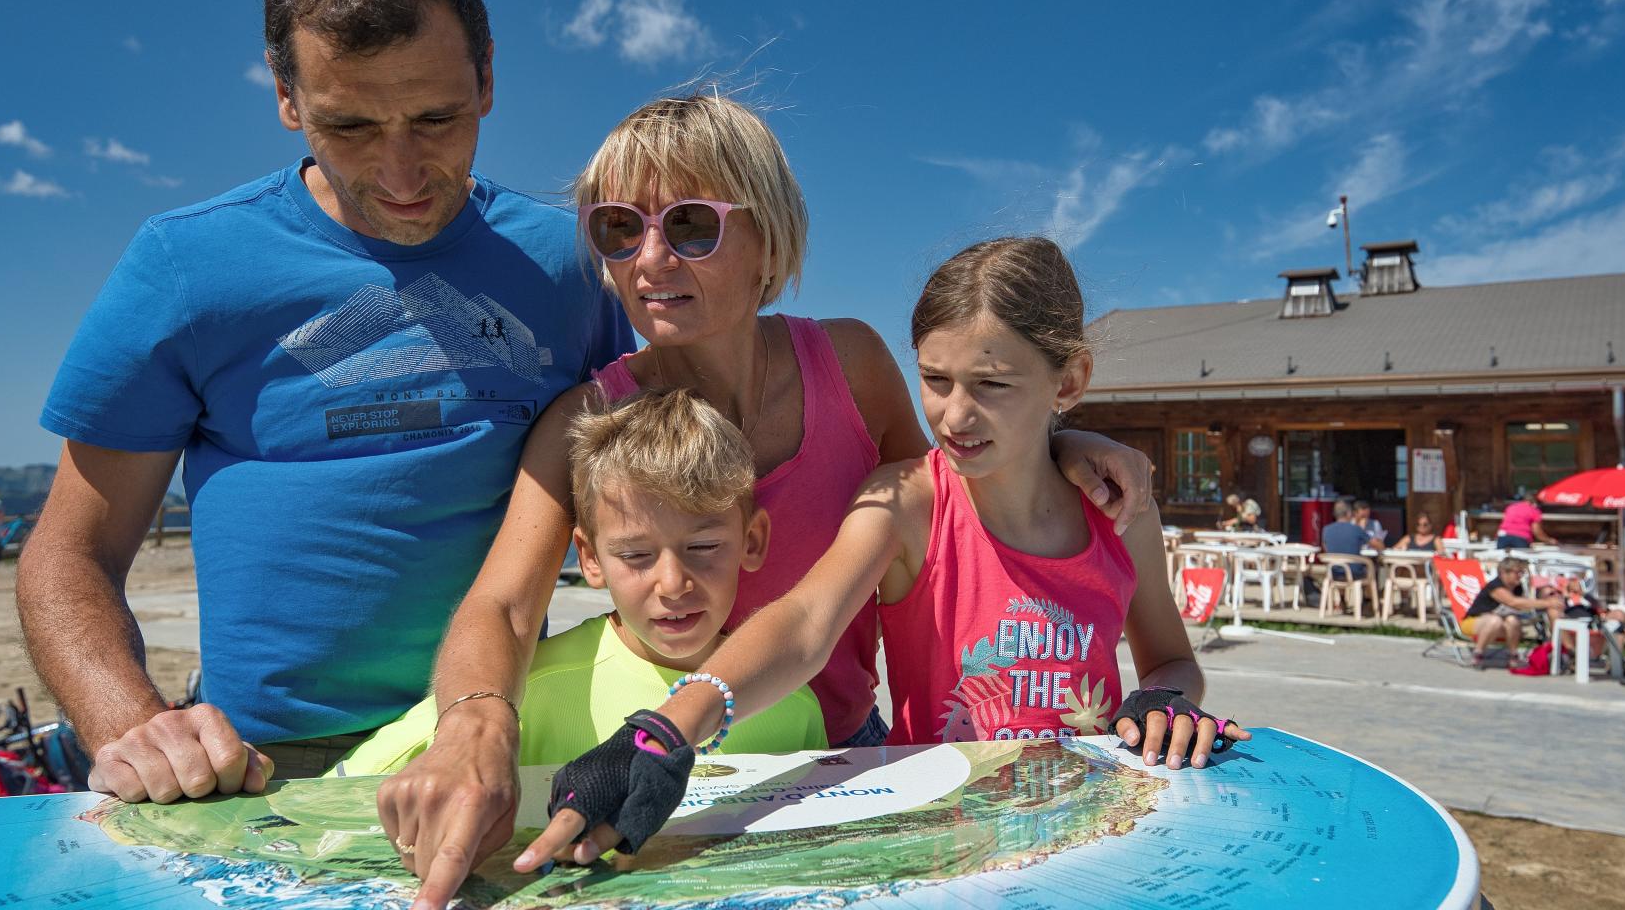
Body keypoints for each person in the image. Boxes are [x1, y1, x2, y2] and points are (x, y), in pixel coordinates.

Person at [377, 96, 1153, 903]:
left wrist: (1056, 443)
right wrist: (471, 724)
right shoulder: (588, 420)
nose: (649, 258)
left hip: (842, 756)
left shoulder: (850, 366)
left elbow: (947, 495)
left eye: (689, 226)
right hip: (650, 748)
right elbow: (503, 606)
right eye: (618, 228)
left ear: (769, 237)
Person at [17, 0, 635, 804]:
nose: (402, 171)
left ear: (488, 78)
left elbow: (658, 476)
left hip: (514, 728)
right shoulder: (187, 266)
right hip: (272, 766)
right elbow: (71, 551)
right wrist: (131, 724)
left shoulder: (570, 261)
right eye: (349, 127)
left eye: (437, 118)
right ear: (285, 95)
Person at [515, 237, 1248, 872]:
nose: (954, 414)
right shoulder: (906, 504)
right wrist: (667, 729)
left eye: (992, 385)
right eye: (934, 379)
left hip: (1087, 835)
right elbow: (803, 624)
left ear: (1071, 382)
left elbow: (1169, 663)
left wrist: (1166, 700)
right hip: (942, 841)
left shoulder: (1120, 512)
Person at [334, 389, 825, 774]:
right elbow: (348, 789)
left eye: (703, 548)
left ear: (753, 540)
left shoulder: (794, 702)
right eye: (636, 554)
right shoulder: (528, 693)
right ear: (590, 558)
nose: (673, 584)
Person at [1462, 558, 1564, 668]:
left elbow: (1522, 606)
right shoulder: (1495, 586)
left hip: (1499, 625)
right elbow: (1513, 602)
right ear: (1504, 572)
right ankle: (1478, 653)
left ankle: (1513, 656)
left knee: (1513, 620)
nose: (1520, 575)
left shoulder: (1517, 588)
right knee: (1495, 620)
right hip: (1473, 622)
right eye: (1517, 572)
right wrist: (1547, 603)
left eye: (1522, 572)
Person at [1320, 498, 1380, 579]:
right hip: (1354, 573)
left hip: (1334, 572)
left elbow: (1326, 549)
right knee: (1371, 567)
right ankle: (1370, 591)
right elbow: (1377, 545)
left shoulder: (1326, 530)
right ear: (1349, 513)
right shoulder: (1356, 529)